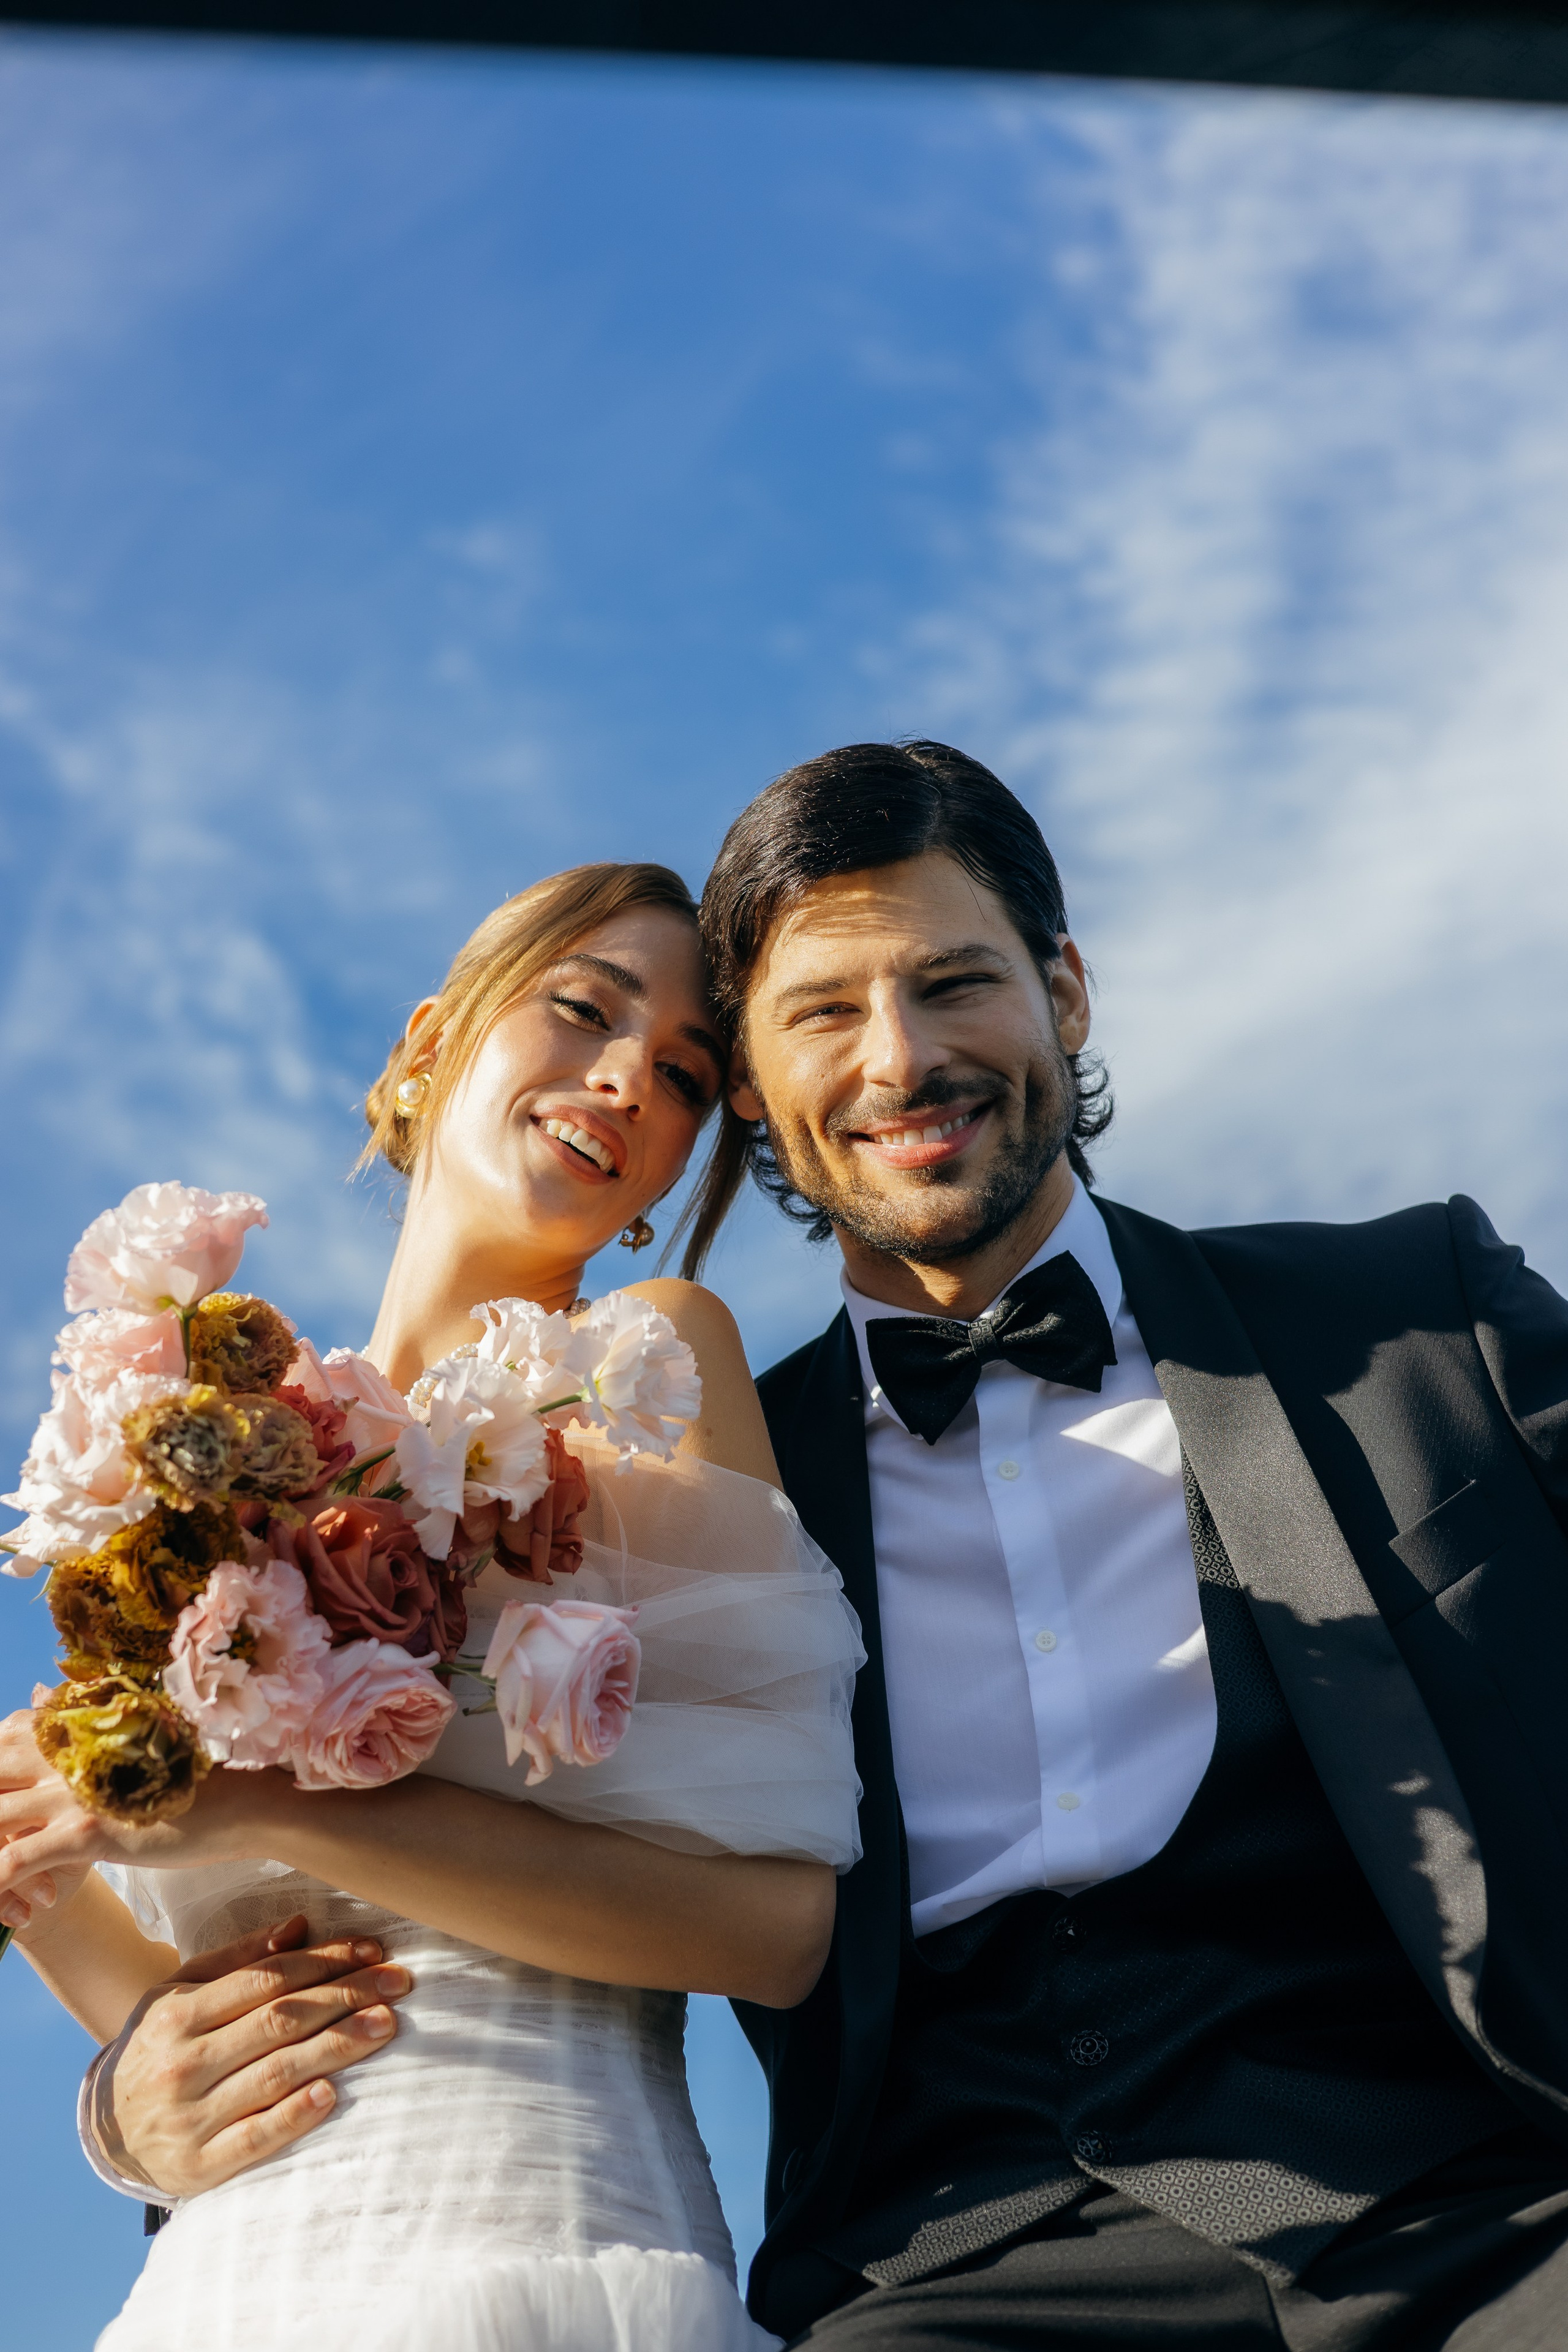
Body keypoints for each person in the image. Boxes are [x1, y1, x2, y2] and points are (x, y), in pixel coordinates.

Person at [687, 741, 1568, 2349]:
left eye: (957, 983)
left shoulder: (1415, 1311)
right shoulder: (713, 1485)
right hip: (949, 2274)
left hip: (1488, 2204)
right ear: (747, 1077)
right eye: (823, 1012)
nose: (901, 1059)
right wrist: (144, 2085)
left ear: (1065, 994)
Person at [0, 859, 864, 2352]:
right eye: (582, 1010)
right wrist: (68, 1939)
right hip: (220, 2293)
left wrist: (273, 1811)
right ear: (426, 1044)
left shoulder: (639, 1363)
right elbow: (187, 2014)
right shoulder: (209, 1452)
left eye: (678, 1073)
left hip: (540, 2241)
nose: (619, 1079)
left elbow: (776, 1931)